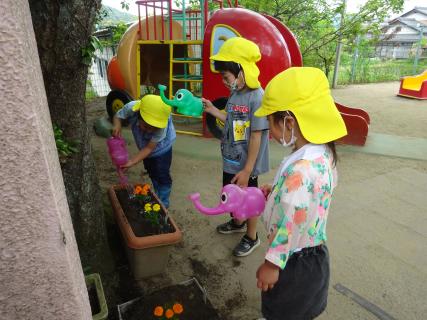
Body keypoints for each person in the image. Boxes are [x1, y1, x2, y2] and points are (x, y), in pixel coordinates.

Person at [254, 67, 347, 319]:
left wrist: (272, 265)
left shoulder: (301, 170)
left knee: (282, 313)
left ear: (289, 122)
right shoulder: (323, 153)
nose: (269, 132)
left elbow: (290, 222)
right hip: (315, 258)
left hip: (291, 263)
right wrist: (278, 191)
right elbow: (312, 195)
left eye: (270, 123)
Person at [202, 37, 270, 257]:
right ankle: (237, 222)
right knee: (231, 194)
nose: (223, 80)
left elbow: (256, 136)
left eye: (225, 76)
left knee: (250, 199)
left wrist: (248, 170)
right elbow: (230, 119)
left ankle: (252, 237)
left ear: (241, 71)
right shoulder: (235, 92)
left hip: (245, 164)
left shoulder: (256, 97)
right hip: (231, 159)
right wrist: (213, 110)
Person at [112, 94, 176, 208]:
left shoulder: (162, 126)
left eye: (154, 128)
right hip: (145, 148)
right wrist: (117, 125)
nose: (150, 130)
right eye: (146, 126)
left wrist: (131, 162)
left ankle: (163, 202)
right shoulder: (132, 108)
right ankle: (157, 189)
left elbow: (150, 148)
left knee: (162, 175)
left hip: (162, 149)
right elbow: (118, 116)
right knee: (151, 170)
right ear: (139, 114)